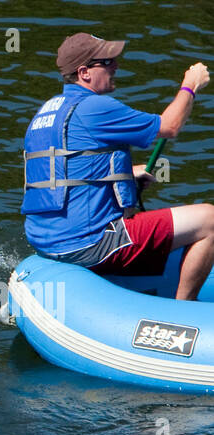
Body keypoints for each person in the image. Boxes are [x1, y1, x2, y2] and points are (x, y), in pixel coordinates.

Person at [21, 33, 214, 299]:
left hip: (46, 241)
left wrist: (126, 174)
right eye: (107, 61)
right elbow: (169, 126)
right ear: (84, 72)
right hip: (90, 243)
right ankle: (184, 309)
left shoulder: (47, 113)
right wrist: (190, 85)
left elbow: (63, 169)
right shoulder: (96, 107)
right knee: (210, 219)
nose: (116, 66)